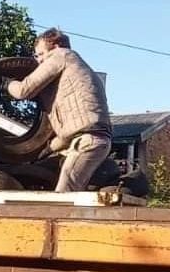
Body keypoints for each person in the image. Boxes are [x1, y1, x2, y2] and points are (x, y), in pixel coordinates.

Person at [7, 28, 112, 192]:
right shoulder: (75, 72)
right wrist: (47, 150)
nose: (39, 61)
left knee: (63, 198)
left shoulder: (61, 55)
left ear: (55, 46)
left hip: (87, 141)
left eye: (40, 54)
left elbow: (23, 91)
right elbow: (70, 131)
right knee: (69, 193)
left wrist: (7, 84)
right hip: (91, 139)